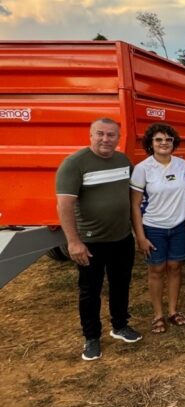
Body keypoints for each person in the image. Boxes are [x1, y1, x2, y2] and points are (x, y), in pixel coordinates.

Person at [55, 118, 142, 361]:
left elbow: (131, 197)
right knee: (90, 291)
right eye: (100, 134)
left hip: (122, 238)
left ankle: (120, 325)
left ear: (118, 137)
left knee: (120, 284)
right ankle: (91, 337)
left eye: (111, 135)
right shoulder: (74, 164)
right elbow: (64, 205)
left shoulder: (123, 161)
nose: (106, 139)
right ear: (90, 135)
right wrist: (73, 242)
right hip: (90, 242)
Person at [130, 123, 185, 335]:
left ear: (174, 143)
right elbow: (135, 205)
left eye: (168, 140)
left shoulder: (182, 165)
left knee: (175, 267)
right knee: (156, 270)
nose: (164, 143)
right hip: (154, 227)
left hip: (179, 225)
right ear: (150, 144)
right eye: (158, 140)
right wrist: (140, 236)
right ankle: (157, 315)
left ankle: (173, 311)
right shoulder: (142, 169)